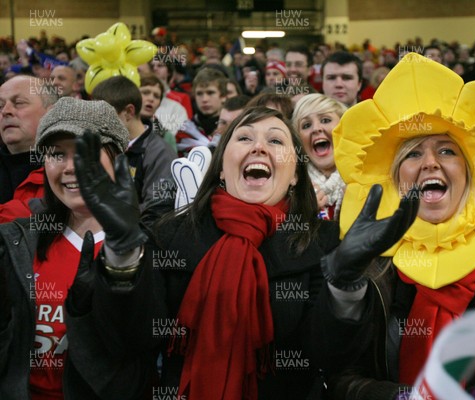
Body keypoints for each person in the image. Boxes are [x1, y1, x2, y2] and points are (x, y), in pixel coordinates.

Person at [72, 106, 378, 399]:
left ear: (296, 174)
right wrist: (123, 253)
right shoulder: (170, 235)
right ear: (220, 168)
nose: (258, 147)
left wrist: (345, 287)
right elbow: (131, 337)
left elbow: (327, 353)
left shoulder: (321, 244)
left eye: (275, 140)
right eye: (244, 137)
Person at [320, 53, 475, 399]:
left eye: (447, 151)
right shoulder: (370, 257)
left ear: (470, 171)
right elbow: (336, 376)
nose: (430, 163)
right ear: (394, 177)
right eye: (413, 154)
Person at [0, 98, 148, 399]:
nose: (70, 168)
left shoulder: (147, 247)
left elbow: (134, 344)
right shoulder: (15, 239)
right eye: (57, 154)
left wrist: (123, 258)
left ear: (118, 159)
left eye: (83, 153)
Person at [91, 76, 177, 220]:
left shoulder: (161, 153)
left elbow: (157, 209)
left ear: (129, 112)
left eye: (104, 117)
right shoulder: (104, 145)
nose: (99, 125)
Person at [0, 76, 59, 222]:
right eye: (0, 106)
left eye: (19, 103)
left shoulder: (69, 169)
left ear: (50, 113)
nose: (5, 111)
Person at [292, 93, 347, 220]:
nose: (316, 129)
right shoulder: (291, 189)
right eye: (306, 125)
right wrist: (304, 214)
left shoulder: (366, 178)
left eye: (325, 120)